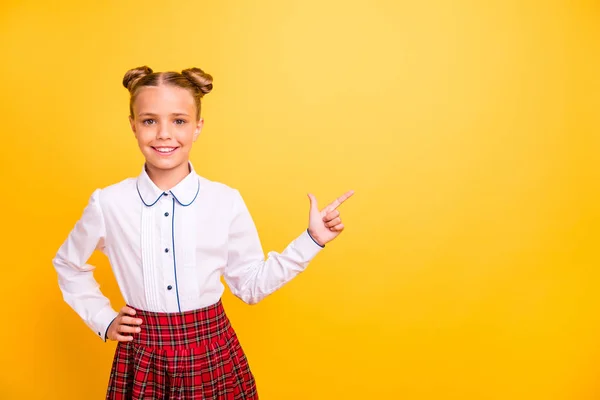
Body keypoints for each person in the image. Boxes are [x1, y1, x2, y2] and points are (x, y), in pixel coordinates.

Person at [52, 65, 354, 399]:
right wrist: (103, 319)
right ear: (133, 126)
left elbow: (250, 286)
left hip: (211, 353)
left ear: (198, 127)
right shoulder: (108, 203)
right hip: (143, 356)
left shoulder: (224, 201)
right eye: (150, 120)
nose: (164, 133)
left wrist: (311, 241)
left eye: (179, 121)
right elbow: (68, 263)